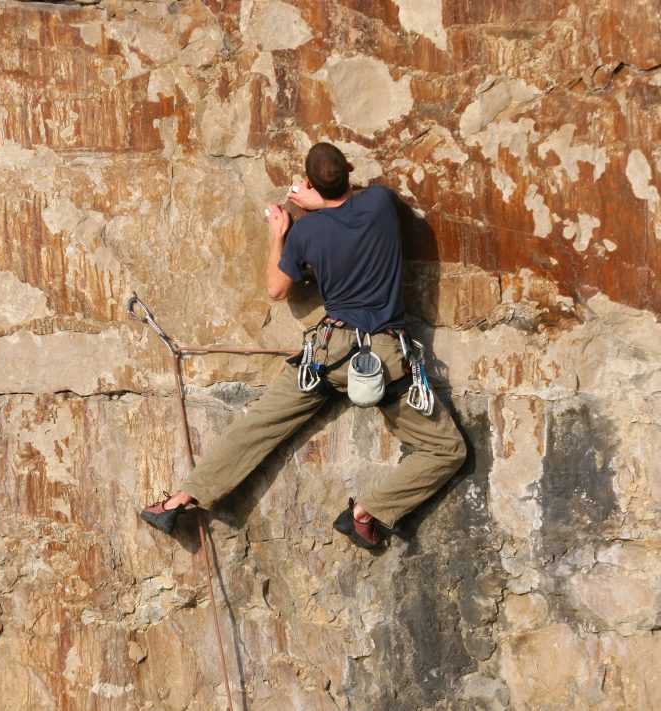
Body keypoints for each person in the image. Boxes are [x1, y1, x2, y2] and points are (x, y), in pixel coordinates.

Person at [140, 142, 467, 550]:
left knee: (260, 424)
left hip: (327, 353)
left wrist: (279, 235)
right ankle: (366, 513)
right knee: (446, 450)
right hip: (383, 358)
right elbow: (352, 202)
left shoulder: (307, 232)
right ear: (350, 169)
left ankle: (179, 500)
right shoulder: (382, 202)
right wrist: (320, 199)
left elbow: (276, 289)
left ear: (310, 183)